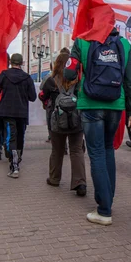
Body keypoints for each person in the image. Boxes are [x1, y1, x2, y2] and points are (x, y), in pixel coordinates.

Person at [65, 28, 131, 226]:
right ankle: (108, 200)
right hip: (116, 104)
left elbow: (68, 72)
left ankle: (104, 210)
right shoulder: (124, 44)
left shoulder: (81, 41)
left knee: (96, 153)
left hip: (90, 104)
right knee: (108, 150)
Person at [41, 51, 87, 197]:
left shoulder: (51, 80)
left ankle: (54, 178)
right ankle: (80, 183)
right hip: (76, 120)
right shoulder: (78, 80)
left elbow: (42, 95)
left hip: (57, 121)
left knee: (57, 150)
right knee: (76, 150)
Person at [0, 54, 37, 178]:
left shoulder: (4, 75)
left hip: (7, 111)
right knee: (20, 136)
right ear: (22, 63)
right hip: (22, 112)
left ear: (10, 62)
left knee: (10, 137)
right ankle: (17, 160)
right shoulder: (27, 78)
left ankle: (14, 165)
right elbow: (33, 97)